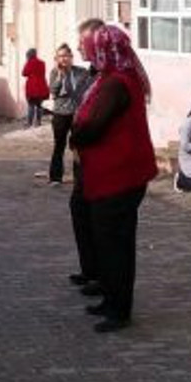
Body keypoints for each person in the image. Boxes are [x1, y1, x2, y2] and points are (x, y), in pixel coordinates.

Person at [71, 24, 158, 333]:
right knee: (108, 242)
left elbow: (93, 126)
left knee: (115, 245)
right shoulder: (114, 79)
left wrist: (76, 133)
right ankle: (111, 299)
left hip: (119, 176)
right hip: (113, 174)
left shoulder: (116, 84)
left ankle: (119, 309)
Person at [68, 19, 105, 296]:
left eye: (84, 42)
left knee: (96, 218)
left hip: (98, 160)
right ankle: (90, 268)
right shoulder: (86, 75)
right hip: (82, 160)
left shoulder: (107, 78)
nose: (79, 47)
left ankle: (100, 275)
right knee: (80, 212)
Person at [47, 44, 89, 186]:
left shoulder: (82, 72)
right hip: (60, 113)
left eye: (66, 56)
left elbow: (85, 90)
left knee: (78, 146)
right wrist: (60, 76)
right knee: (59, 145)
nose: (63, 59)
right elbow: (53, 91)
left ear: (71, 57)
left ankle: (81, 177)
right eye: (60, 56)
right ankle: (55, 177)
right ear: (56, 59)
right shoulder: (54, 73)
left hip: (77, 113)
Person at [22, 48, 49, 128]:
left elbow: (24, 73)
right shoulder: (42, 63)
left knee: (31, 105)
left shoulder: (29, 62)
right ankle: (38, 122)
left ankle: (29, 123)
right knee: (39, 105)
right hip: (41, 86)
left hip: (32, 87)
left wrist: (27, 63)